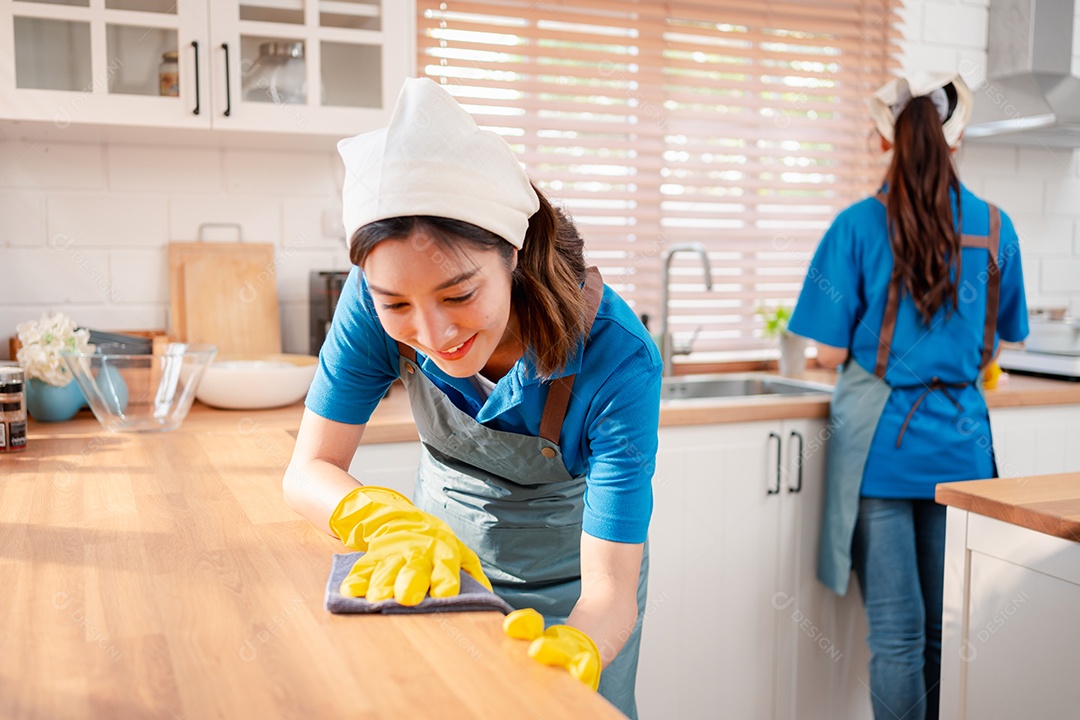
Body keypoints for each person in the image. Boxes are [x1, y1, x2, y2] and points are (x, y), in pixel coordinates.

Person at [284, 77, 661, 718]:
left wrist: (578, 649)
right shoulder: (371, 298)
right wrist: (388, 525)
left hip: (578, 602)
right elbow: (309, 470)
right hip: (438, 576)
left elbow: (611, 591)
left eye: (459, 296)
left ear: (512, 252)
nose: (433, 336)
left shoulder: (616, 357)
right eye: (396, 303)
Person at [788, 72, 1029, 720]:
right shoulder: (996, 226)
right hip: (963, 453)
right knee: (943, 631)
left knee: (896, 635)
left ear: (891, 141)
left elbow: (831, 352)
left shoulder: (859, 223)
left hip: (882, 453)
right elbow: (1004, 342)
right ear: (956, 143)